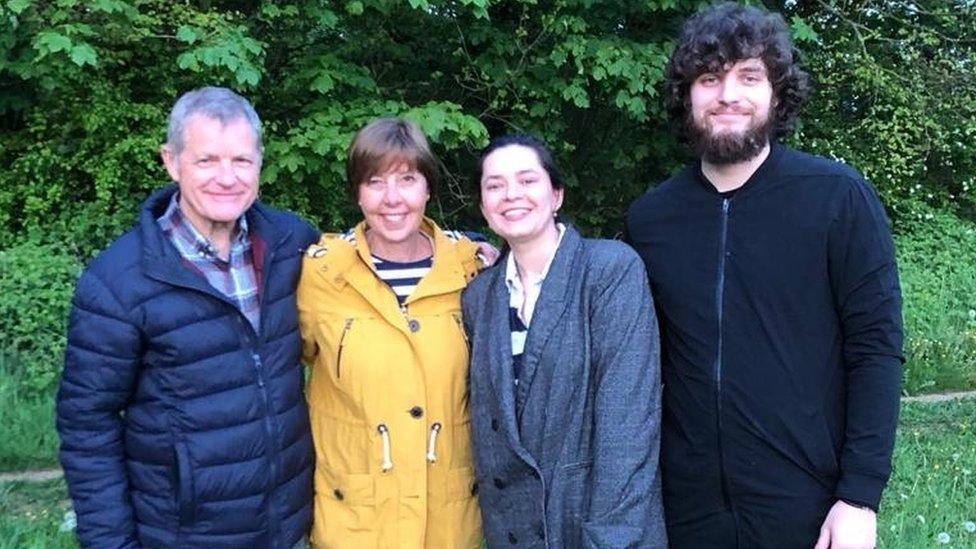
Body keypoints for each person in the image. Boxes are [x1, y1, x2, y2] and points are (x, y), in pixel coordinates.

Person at [625, 4, 904, 548]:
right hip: (686, 509)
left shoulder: (837, 197)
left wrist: (859, 497)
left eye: (748, 76)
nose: (728, 93)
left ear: (777, 91)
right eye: (710, 78)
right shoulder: (651, 217)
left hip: (808, 502)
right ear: (688, 96)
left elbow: (876, 349)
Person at [56, 86, 319, 547]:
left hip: (288, 526)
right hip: (184, 533)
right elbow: (87, 426)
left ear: (260, 164)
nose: (227, 177)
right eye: (206, 160)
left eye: (241, 160)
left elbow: (370, 260)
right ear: (171, 161)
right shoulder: (118, 281)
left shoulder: (292, 242)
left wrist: (470, 249)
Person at [462, 134, 666, 547]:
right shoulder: (479, 297)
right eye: (495, 185)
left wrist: (609, 538)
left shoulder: (608, 270)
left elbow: (627, 424)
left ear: (556, 195)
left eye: (527, 180)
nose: (511, 195)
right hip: (515, 532)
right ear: (484, 208)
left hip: (597, 525)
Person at [297, 117, 483, 547]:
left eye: (407, 179)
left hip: (448, 522)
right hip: (355, 522)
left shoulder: (474, 269)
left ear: (428, 188)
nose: (393, 198)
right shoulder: (320, 274)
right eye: (375, 181)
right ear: (357, 193)